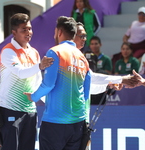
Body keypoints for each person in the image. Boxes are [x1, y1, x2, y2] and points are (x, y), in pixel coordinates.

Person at [25, 16, 91, 150]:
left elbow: (49, 84)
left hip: (55, 123)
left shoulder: (55, 52)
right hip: (78, 122)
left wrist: (33, 97)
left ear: (59, 32)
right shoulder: (83, 58)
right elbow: (85, 94)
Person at [0, 13, 53, 150]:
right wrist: (40, 66)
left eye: (29, 28)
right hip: (10, 110)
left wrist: (51, 104)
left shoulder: (34, 53)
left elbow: (38, 82)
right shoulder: (8, 51)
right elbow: (21, 73)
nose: (28, 33)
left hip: (30, 111)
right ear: (14, 32)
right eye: (24, 30)